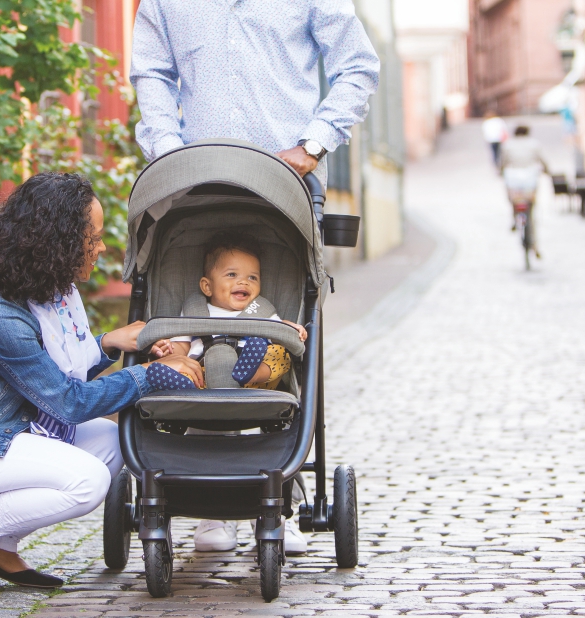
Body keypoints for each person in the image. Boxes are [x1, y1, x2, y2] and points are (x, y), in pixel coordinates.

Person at [0, 172, 203, 594]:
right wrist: (150, 375)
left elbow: (52, 372)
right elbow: (66, 401)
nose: (102, 248)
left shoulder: (49, 291)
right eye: (93, 239)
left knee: (116, 441)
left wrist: (107, 342)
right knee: (86, 481)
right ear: (59, 242)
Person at [131, 0, 379, 556]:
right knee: (191, 345)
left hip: (282, 182)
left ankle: (281, 493)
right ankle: (196, 502)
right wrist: (170, 153)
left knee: (278, 343)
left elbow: (357, 63)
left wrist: (315, 142)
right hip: (192, 183)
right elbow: (151, 70)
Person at [148, 232, 307, 391]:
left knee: (280, 354)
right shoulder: (194, 310)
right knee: (186, 366)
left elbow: (278, 330)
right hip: (205, 373)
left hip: (254, 382)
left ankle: (252, 373)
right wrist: (167, 350)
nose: (244, 282)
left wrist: (290, 328)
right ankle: (185, 384)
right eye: (232, 274)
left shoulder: (262, 310)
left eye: (252, 278)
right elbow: (182, 347)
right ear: (207, 287)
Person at [501, 125, 549, 258]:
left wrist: (500, 171)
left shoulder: (507, 145)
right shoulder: (534, 144)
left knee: (512, 199)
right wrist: (547, 170)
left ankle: (514, 216)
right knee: (531, 213)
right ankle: (535, 244)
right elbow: (543, 160)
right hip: (530, 181)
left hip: (514, 182)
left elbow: (502, 162)